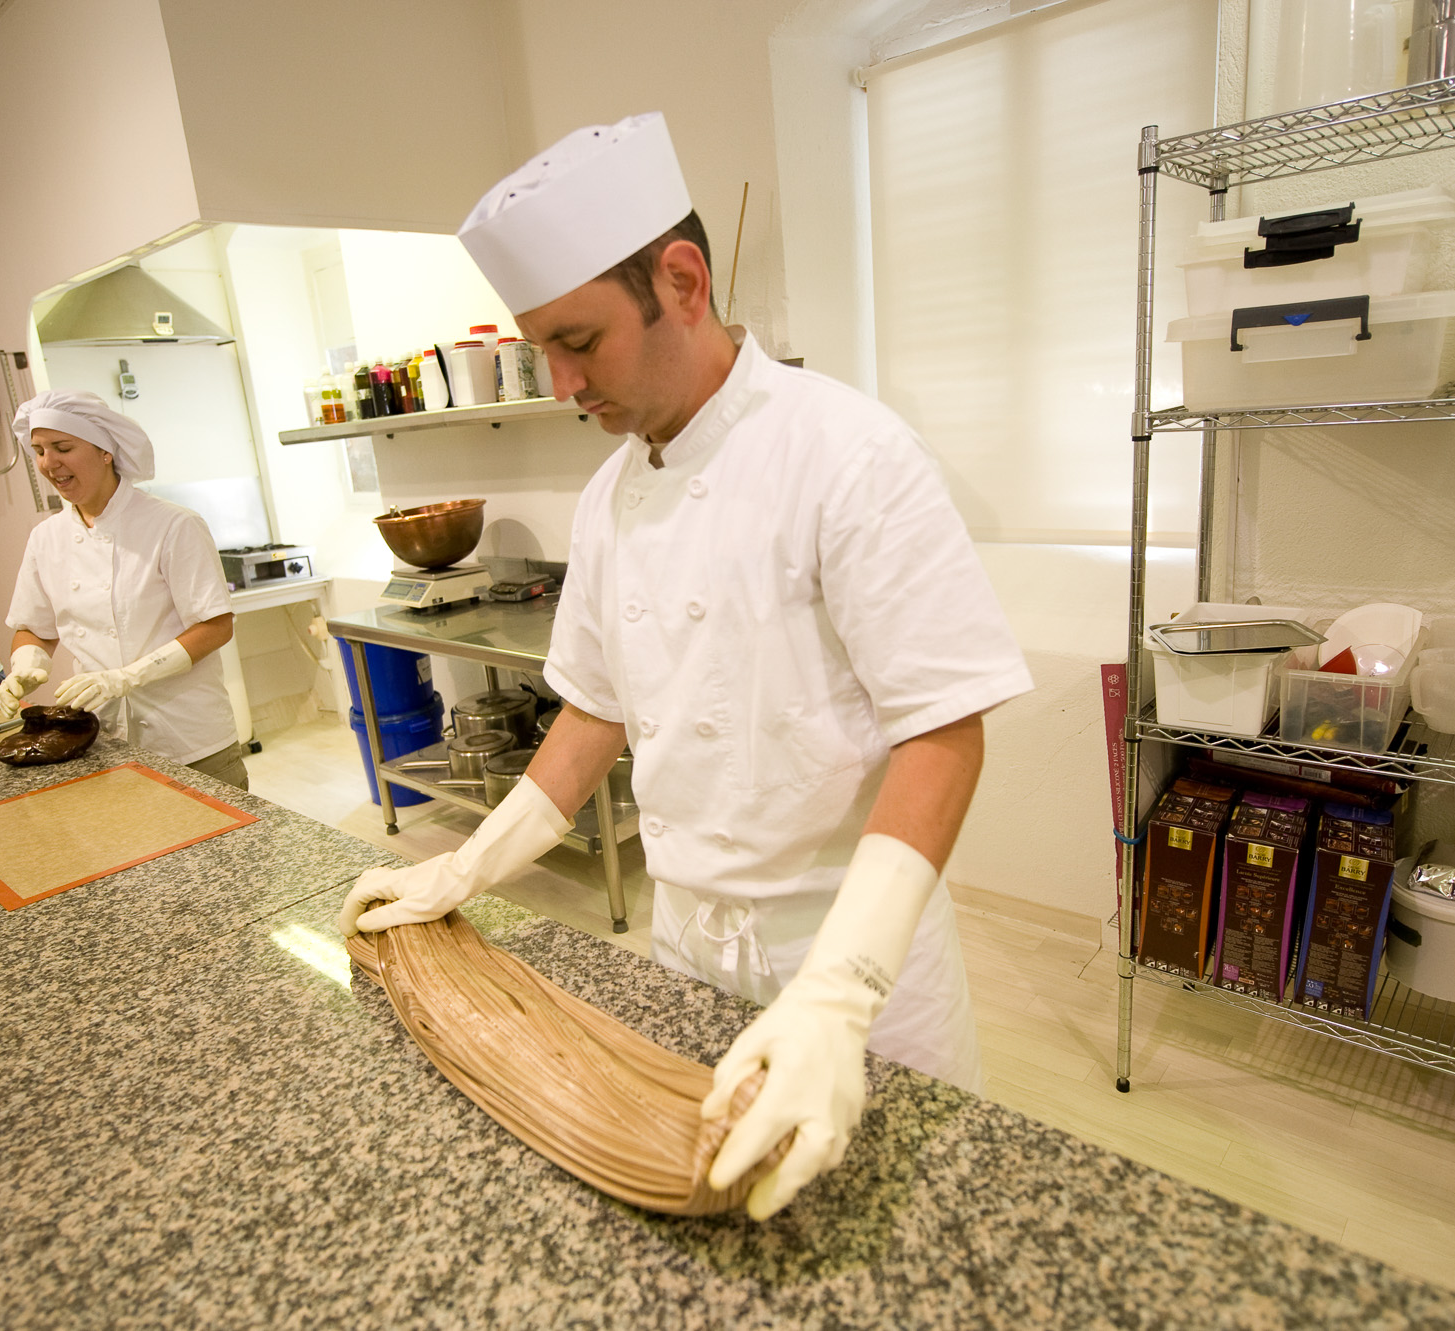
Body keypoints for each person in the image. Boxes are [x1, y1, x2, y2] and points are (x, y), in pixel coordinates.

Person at [337, 113, 1030, 1218]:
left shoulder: (850, 454)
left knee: (897, 1233)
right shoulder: (612, 493)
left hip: (848, 950)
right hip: (687, 948)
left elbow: (942, 730)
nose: (562, 383)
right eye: (540, 351)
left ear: (682, 278)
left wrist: (839, 995)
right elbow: (593, 711)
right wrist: (466, 865)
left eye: (580, 341)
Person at [0, 390, 250, 790]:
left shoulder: (172, 525)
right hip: (103, 740)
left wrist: (125, 677)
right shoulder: (46, 538)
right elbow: (35, 627)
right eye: (39, 450)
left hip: (190, 740)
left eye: (63, 447)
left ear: (105, 452)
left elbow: (215, 626)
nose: (49, 463)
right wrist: (27, 666)